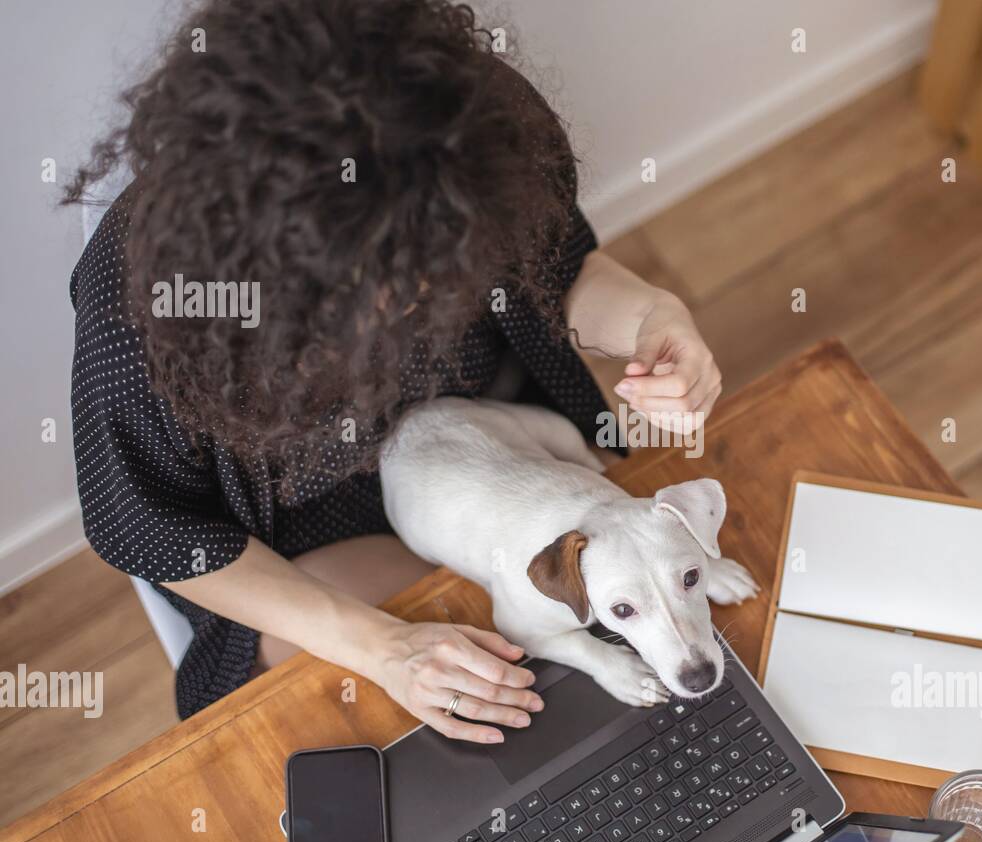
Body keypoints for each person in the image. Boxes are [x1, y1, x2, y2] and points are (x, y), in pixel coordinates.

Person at [66, 0, 722, 742]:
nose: (417, 312)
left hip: (501, 449)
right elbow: (152, 530)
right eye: (372, 297)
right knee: (490, 690)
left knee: (633, 622)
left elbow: (561, 270)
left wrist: (649, 318)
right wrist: (382, 648)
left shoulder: (473, 134)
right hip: (307, 540)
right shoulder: (140, 310)